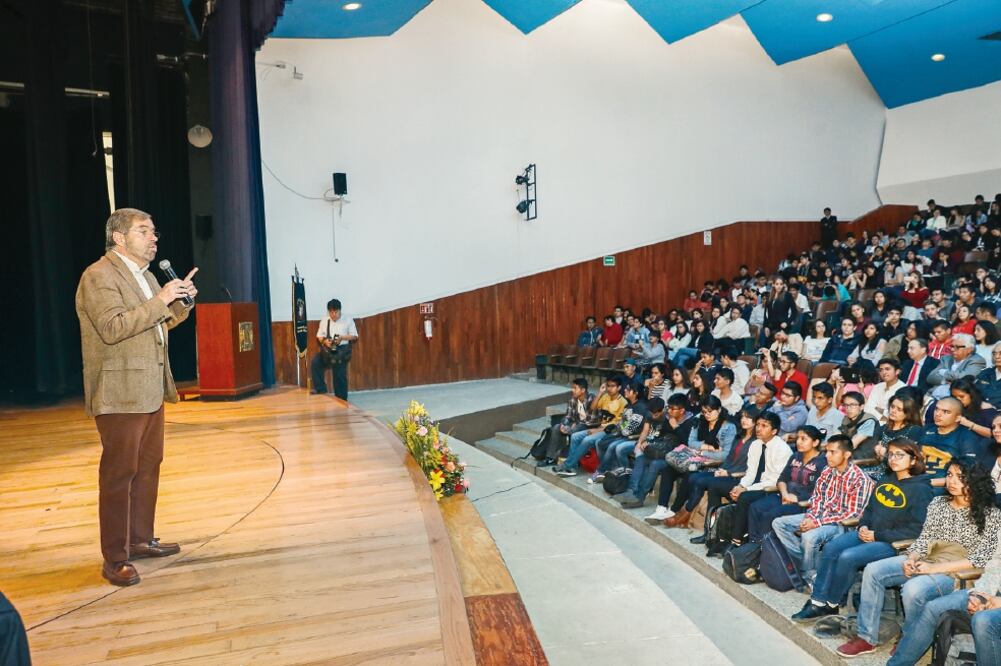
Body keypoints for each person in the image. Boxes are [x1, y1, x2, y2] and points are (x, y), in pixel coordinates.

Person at [76, 208, 197, 586]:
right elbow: (112, 328)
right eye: (144, 231)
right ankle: (115, 557)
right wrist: (161, 299)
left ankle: (140, 539)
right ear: (119, 238)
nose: (153, 237)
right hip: (120, 392)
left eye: (154, 231)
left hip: (149, 389)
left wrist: (180, 301)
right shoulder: (99, 275)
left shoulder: (144, 276)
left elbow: (159, 322)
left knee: (147, 467)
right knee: (119, 474)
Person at [838, 459, 1001, 658]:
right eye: (949, 475)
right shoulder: (938, 503)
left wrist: (931, 569)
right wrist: (912, 558)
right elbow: (924, 539)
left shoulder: (990, 514)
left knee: (913, 589)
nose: (951, 481)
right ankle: (866, 637)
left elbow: (980, 559)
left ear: (975, 481)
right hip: (928, 559)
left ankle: (908, 638)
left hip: (957, 572)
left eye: (960, 477)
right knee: (873, 570)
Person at [792, 438, 933, 622]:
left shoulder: (921, 489)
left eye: (900, 455)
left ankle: (832, 603)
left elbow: (916, 530)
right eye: (891, 454)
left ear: (913, 460)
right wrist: (864, 525)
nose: (893, 459)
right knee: (832, 548)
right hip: (869, 533)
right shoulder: (886, 478)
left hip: (892, 542)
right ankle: (817, 601)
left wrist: (877, 535)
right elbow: (869, 509)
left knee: (848, 557)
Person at [771, 435, 874, 583]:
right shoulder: (827, 471)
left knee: (809, 536)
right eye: (826, 451)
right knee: (779, 523)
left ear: (846, 454)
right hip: (821, 517)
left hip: (843, 525)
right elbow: (817, 499)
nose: (827, 456)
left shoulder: (860, 479)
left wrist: (816, 523)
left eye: (832, 452)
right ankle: (811, 566)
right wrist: (811, 517)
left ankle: (809, 576)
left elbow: (851, 514)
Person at [647, 395, 736, 520]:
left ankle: (674, 510)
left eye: (710, 411)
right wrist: (707, 447)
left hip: (714, 465)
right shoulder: (699, 419)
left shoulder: (728, 427)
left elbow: (725, 454)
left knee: (690, 473)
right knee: (668, 469)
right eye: (704, 411)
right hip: (694, 459)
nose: (707, 415)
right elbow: (691, 443)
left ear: (719, 410)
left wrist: (702, 453)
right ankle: (661, 507)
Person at [745, 425, 827, 543]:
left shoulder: (822, 463)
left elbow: (819, 491)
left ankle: (765, 547)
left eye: (803, 439)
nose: (799, 442)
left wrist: (796, 498)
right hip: (784, 496)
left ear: (815, 442)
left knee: (770, 515)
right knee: (755, 508)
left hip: (803, 503)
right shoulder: (795, 456)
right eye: (798, 438)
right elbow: (782, 479)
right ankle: (753, 544)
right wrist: (785, 494)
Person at [724, 412, 792, 547]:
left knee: (744, 497)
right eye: (758, 425)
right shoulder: (755, 444)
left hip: (772, 489)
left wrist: (746, 489)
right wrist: (741, 486)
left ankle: (736, 540)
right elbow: (751, 472)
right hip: (755, 484)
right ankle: (716, 535)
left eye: (764, 426)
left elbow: (776, 481)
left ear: (774, 431)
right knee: (718, 487)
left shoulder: (783, 449)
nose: (759, 429)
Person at [554, 377, 627, 476]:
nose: (609, 388)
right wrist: (600, 393)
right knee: (575, 436)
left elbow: (618, 424)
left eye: (612, 386)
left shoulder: (623, 402)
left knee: (587, 440)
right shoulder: (605, 397)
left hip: (610, 431)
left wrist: (597, 430)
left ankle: (567, 465)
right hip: (600, 428)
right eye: (608, 386)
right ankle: (573, 467)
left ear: (619, 388)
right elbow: (592, 407)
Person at [917, 397, 984, 486]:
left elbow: (968, 473)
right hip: (919, 480)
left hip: (946, 487)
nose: (938, 414)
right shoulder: (926, 429)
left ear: (957, 418)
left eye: (946, 412)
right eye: (937, 409)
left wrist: (926, 483)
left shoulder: (967, 438)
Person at [311, 298, 359, 399]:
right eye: (331, 312)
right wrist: (325, 341)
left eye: (336, 312)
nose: (333, 315)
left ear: (340, 310)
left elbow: (354, 336)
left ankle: (341, 399)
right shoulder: (325, 320)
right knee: (316, 362)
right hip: (328, 350)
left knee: (339, 373)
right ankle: (321, 390)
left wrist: (342, 338)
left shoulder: (348, 320)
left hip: (342, 351)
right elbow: (319, 336)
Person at [540, 378, 595, 466]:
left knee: (577, 428)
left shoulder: (591, 399)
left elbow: (591, 420)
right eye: (572, 388)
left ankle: (570, 460)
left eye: (575, 388)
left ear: (583, 390)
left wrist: (575, 424)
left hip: (589, 426)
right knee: (556, 428)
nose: (572, 390)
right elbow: (568, 416)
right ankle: (550, 458)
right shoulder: (573, 400)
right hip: (576, 425)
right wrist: (564, 424)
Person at [927, 333, 987, 399]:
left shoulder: (977, 360)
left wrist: (944, 372)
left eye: (957, 347)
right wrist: (944, 381)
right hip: (934, 395)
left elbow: (964, 378)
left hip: (957, 398)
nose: (952, 349)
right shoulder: (946, 358)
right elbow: (930, 377)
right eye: (952, 346)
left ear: (970, 349)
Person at [874, 394, 924, 460]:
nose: (893, 411)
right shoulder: (884, 427)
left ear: (908, 414)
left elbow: (913, 457)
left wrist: (887, 453)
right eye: (892, 407)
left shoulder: (914, 431)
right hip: (879, 465)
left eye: (899, 409)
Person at [864, 358, 904, 423]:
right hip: (873, 422)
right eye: (881, 370)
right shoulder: (877, 387)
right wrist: (883, 416)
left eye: (887, 369)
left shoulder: (903, 389)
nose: (884, 372)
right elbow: (867, 408)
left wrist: (876, 408)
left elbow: (897, 413)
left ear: (897, 371)